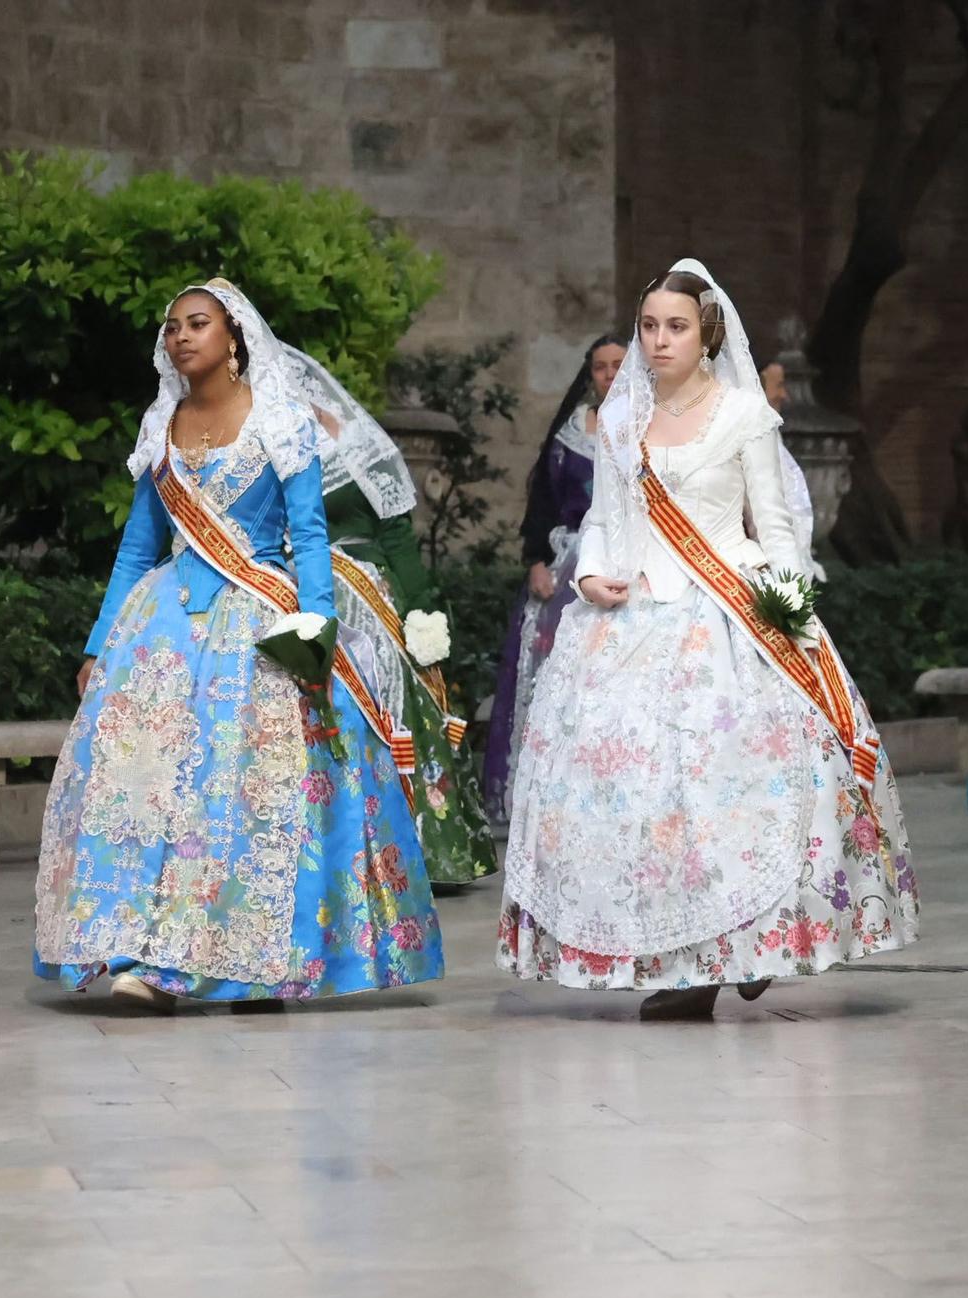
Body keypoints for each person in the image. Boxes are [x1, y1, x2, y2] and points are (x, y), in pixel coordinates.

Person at [497, 260, 918, 1019]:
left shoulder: (743, 415)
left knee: (743, 794)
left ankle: (747, 940)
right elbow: (603, 519)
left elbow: (778, 522)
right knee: (638, 799)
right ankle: (684, 959)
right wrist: (590, 576)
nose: (658, 341)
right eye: (650, 326)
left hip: (726, 613)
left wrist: (793, 614)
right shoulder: (620, 420)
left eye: (676, 327)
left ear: (707, 333)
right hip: (627, 620)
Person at [32, 280, 443, 1012]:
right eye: (171, 328)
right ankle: (142, 957)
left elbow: (309, 536)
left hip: (252, 622)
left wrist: (315, 623)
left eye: (197, 324)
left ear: (234, 337)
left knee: (250, 794)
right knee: (146, 792)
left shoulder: (279, 421)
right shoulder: (160, 425)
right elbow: (137, 547)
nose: (180, 337)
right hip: (160, 632)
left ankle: (256, 960)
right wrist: (99, 644)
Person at [286, 348, 495, 886]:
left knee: (405, 704)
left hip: (371, 593)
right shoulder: (271, 443)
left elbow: (398, 536)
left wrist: (420, 607)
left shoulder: (356, 438)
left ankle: (427, 850)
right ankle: (340, 849)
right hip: (298, 591)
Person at [481, 335, 624, 824]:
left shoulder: (650, 428)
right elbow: (541, 501)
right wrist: (536, 559)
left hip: (622, 567)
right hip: (562, 570)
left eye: (618, 365)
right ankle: (536, 794)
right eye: (600, 367)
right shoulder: (569, 433)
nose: (608, 374)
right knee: (547, 680)